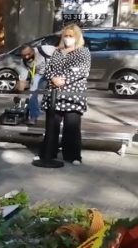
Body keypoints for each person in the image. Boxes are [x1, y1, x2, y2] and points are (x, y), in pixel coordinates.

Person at [39, 24, 91, 165]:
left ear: (77, 37)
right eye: (66, 36)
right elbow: (47, 69)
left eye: (71, 36)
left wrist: (64, 80)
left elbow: (81, 70)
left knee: (72, 127)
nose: (68, 39)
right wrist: (53, 79)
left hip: (73, 95)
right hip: (54, 94)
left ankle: (73, 156)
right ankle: (48, 153)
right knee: (51, 126)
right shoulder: (57, 52)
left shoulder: (83, 52)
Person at [18, 43, 56, 123]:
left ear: (33, 50)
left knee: (54, 95)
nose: (27, 57)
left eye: (29, 54)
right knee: (33, 93)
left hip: (54, 74)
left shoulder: (45, 50)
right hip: (40, 75)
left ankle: (56, 118)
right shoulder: (24, 61)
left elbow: (60, 51)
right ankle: (33, 116)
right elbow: (22, 79)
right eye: (24, 55)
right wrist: (19, 95)